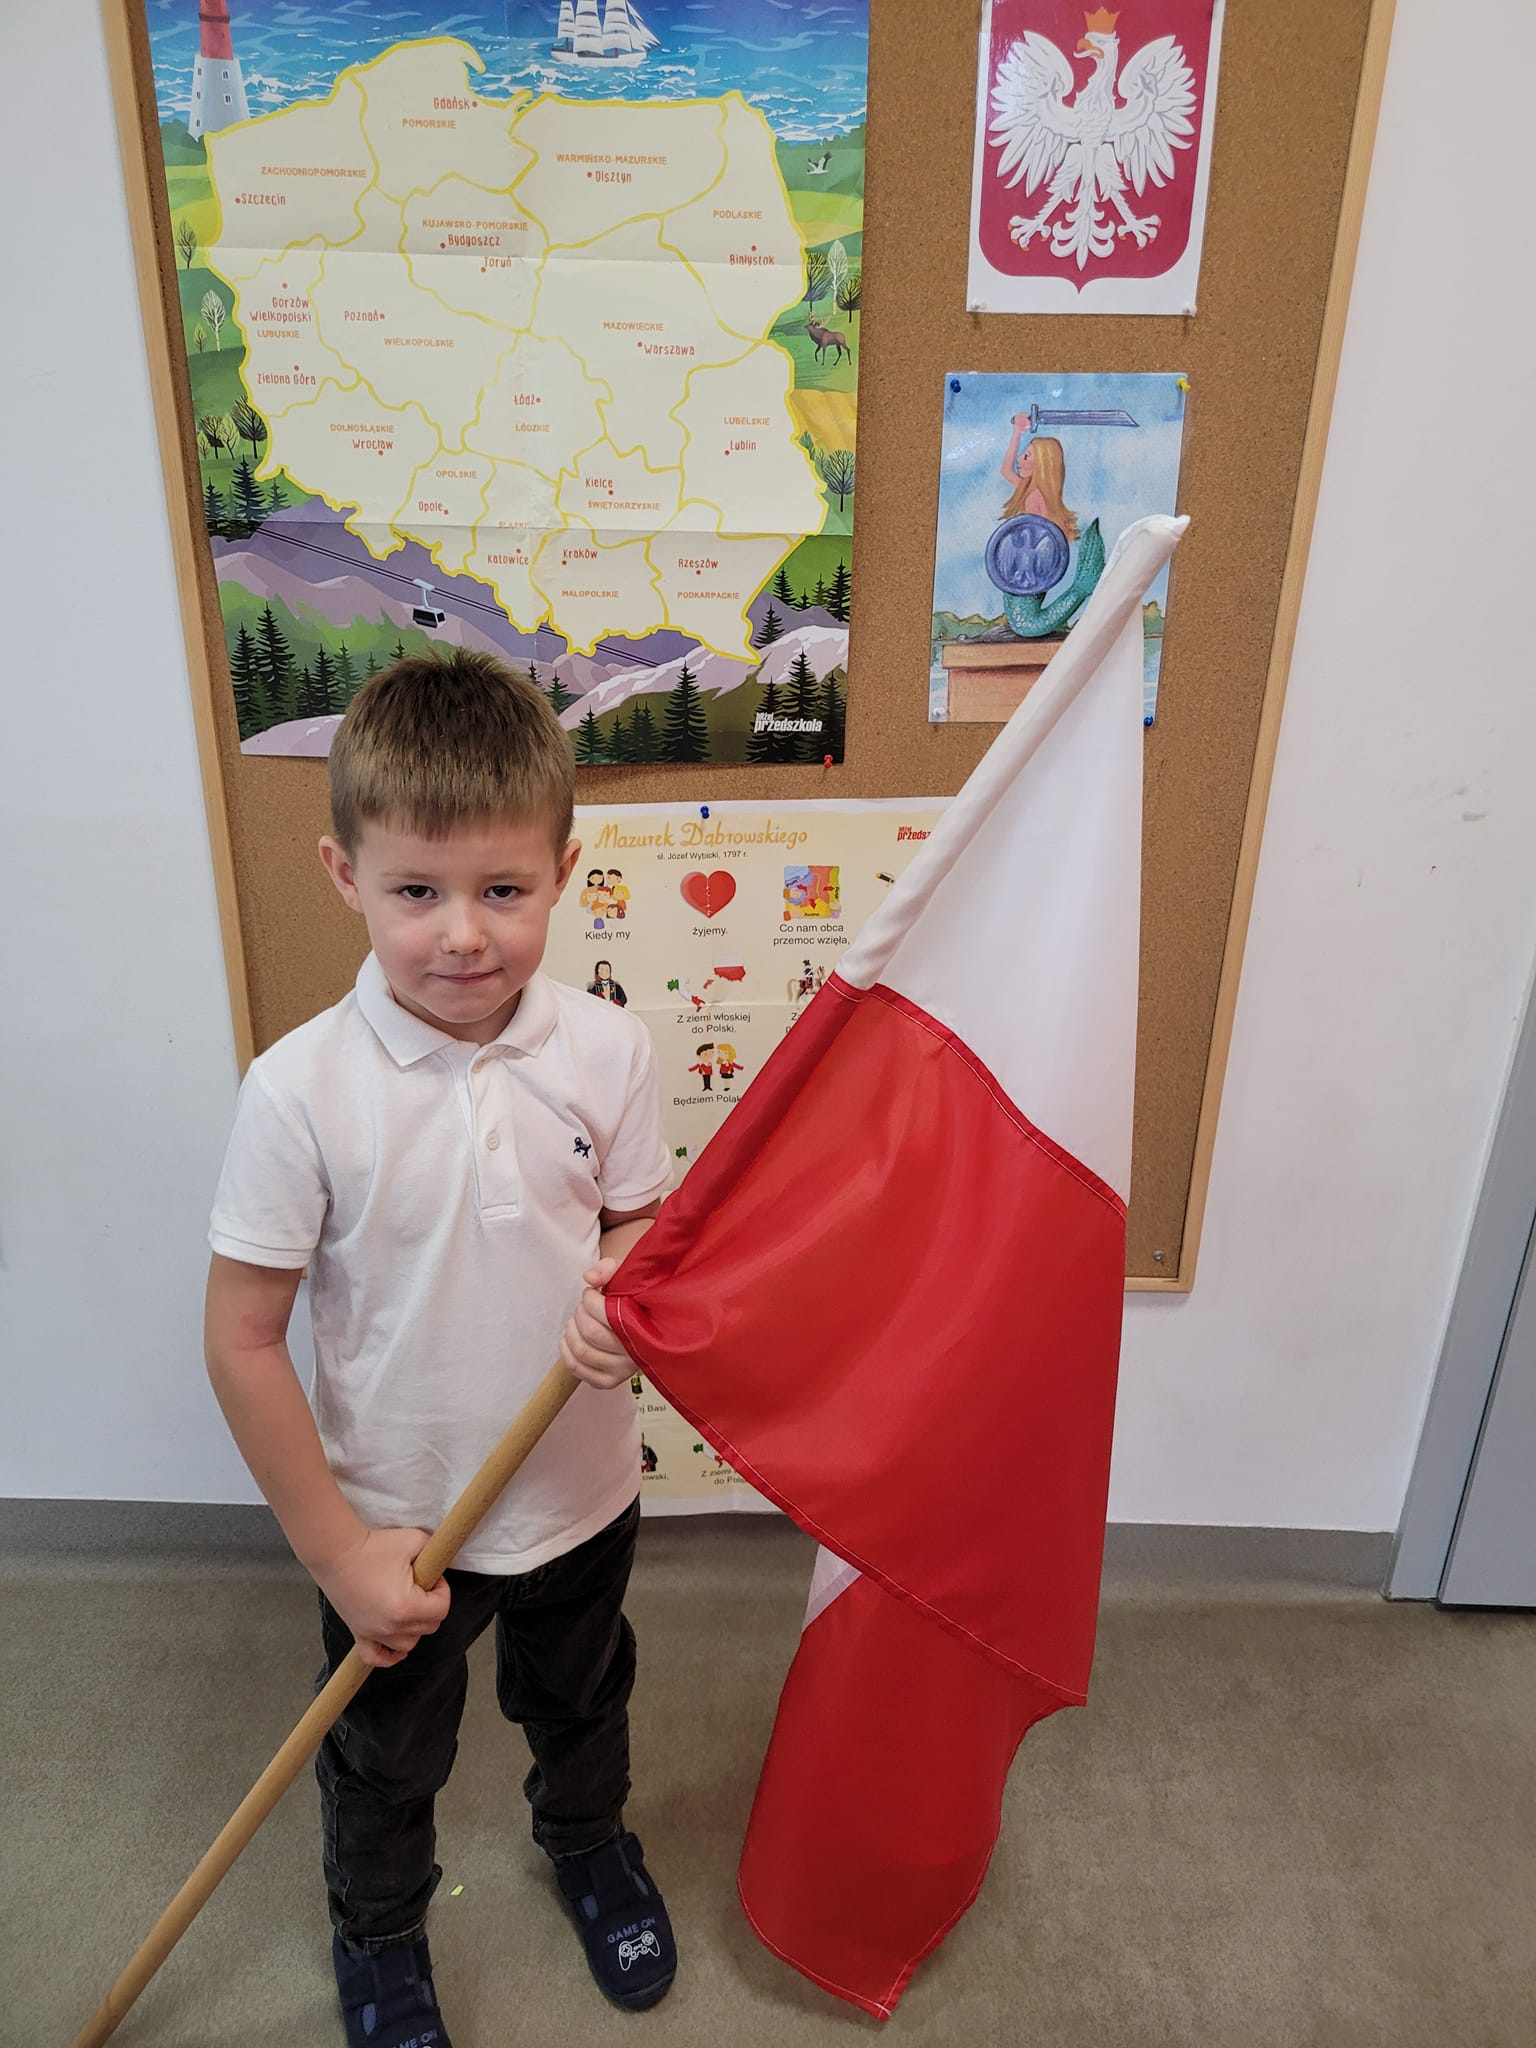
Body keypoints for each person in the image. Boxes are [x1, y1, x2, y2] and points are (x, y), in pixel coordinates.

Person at [204, 650, 677, 2047]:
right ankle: (380, 1929)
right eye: (417, 891)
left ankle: (585, 1840)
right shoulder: (297, 1093)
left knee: (583, 1701)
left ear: (565, 871)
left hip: (581, 1492)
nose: (463, 935)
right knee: (383, 1758)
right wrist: (338, 1554)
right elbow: (242, 1338)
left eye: (503, 890)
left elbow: (645, 1227)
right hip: (397, 1525)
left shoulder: (612, 1051)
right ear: (344, 873)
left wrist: (628, 1286)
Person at [998, 420, 1080, 537]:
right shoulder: (1030, 489)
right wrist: (1017, 433)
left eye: (1026, 456)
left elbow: (1034, 537)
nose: (1019, 459)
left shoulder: (1034, 498)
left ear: (1041, 465)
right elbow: (1006, 471)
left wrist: (1017, 432)